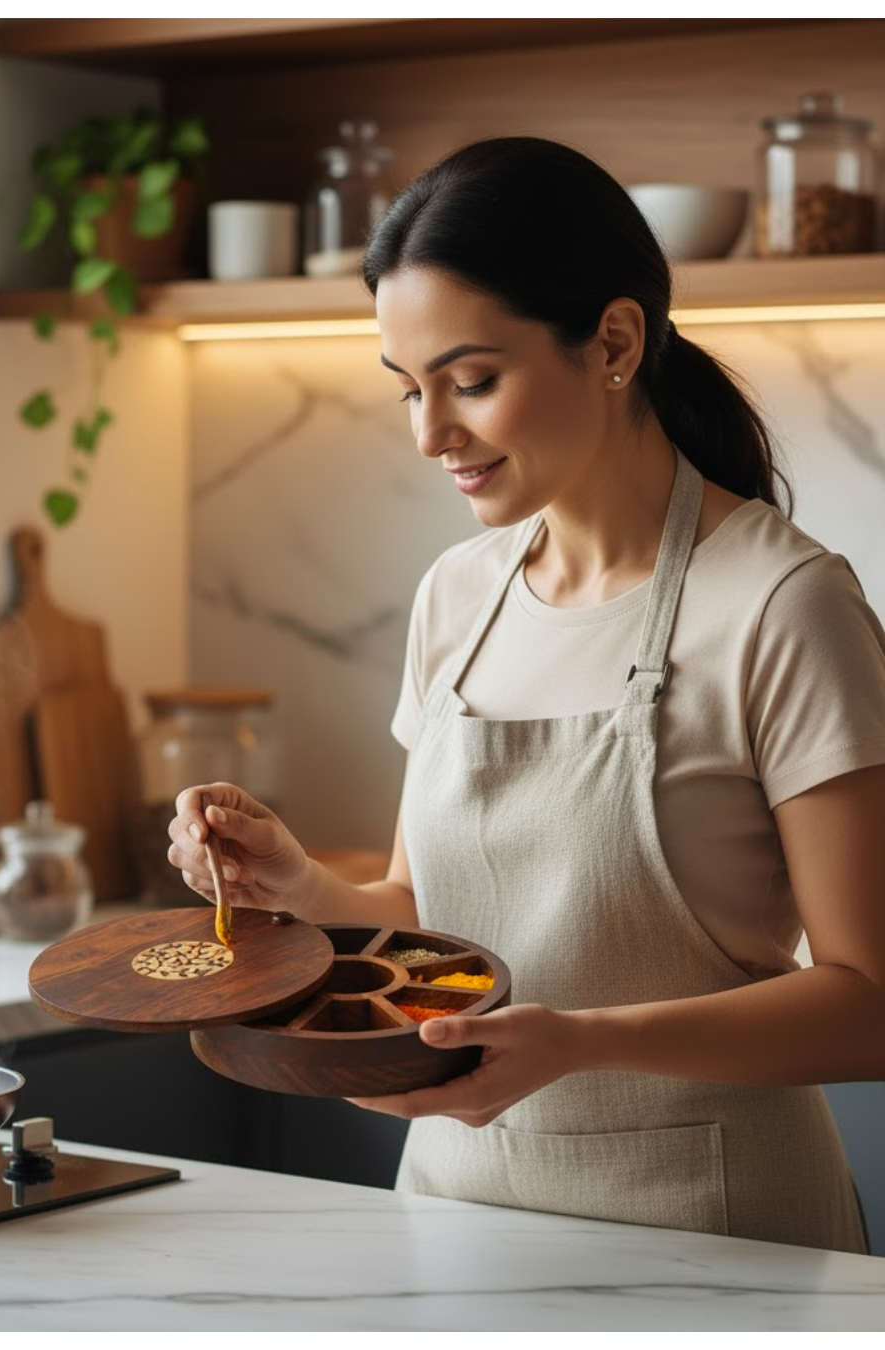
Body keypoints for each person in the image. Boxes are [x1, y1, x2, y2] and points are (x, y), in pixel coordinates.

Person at [168, 137, 885, 1253]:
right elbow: (429, 916)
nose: (429, 433)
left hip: (722, 1234)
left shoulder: (784, 605)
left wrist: (582, 1042)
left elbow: (869, 998)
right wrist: (305, 887)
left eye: (472, 381)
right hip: (458, 1216)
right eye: (409, 390)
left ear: (613, 342)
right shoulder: (458, 599)